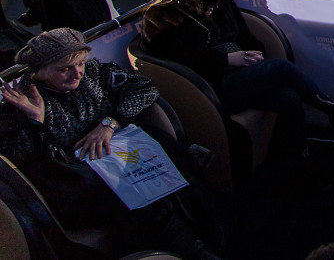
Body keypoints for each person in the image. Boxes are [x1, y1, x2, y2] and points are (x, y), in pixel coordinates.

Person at [0, 29, 224, 259]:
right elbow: (25, 161)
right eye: (65, 69)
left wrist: (109, 124)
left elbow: (145, 89)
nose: (77, 74)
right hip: (80, 179)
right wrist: (36, 122)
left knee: (181, 173)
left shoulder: (94, 73)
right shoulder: (21, 102)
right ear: (40, 71)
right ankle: (194, 252)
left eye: (80, 64)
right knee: (145, 201)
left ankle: (212, 238)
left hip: (119, 151)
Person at [142, 0, 334, 159]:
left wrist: (252, 54)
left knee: (289, 98)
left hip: (242, 72)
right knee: (280, 68)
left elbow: (244, 34)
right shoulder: (160, 17)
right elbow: (177, 64)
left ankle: (296, 157)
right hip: (208, 87)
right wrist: (226, 60)